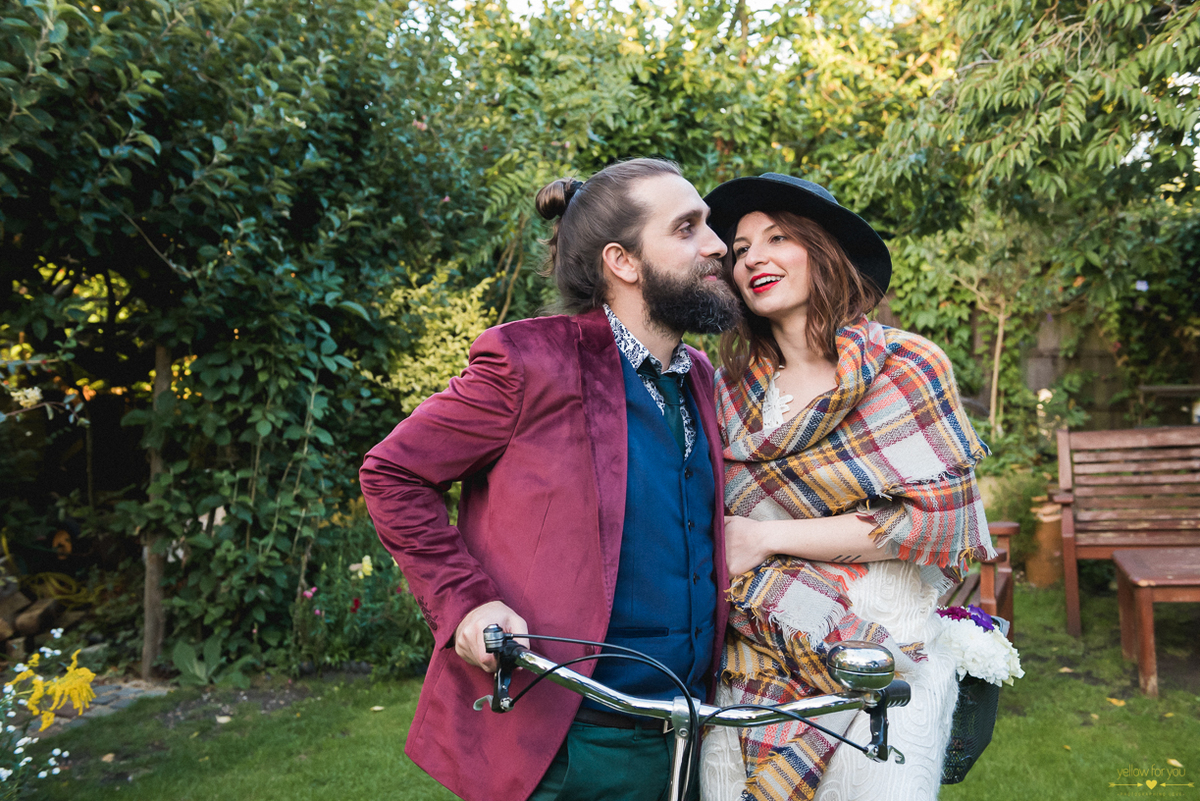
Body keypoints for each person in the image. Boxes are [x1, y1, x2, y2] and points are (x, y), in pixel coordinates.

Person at [360, 158, 743, 801]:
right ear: (623, 262)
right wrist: (464, 601)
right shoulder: (527, 361)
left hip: (687, 734)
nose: (717, 245)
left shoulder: (698, 374)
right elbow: (393, 472)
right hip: (565, 741)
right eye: (687, 228)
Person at [696, 173, 994, 801]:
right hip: (758, 653)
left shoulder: (909, 366)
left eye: (777, 237)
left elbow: (938, 521)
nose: (754, 258)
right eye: (741, 247)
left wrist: (766, 537)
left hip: (889, 654)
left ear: (823, 251)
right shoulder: (727, 393)